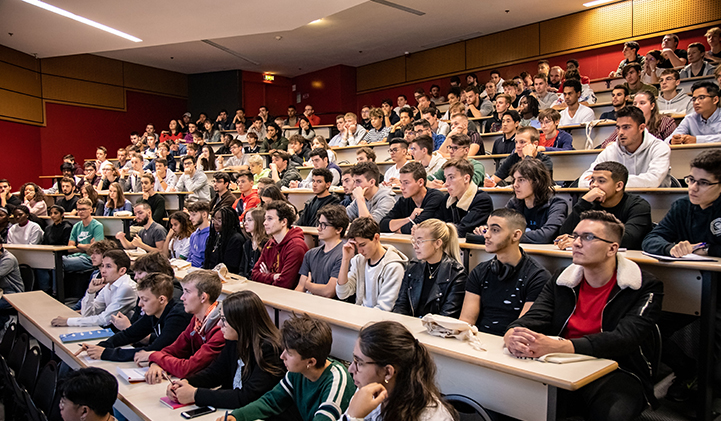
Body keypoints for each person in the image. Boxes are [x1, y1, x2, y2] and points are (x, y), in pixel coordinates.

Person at [505, 211, 663, 421]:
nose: (576, 243)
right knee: (507, 402)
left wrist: (559, 346)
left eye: (588, 237)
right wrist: (511, 333)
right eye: (575, 236)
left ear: (612, 249)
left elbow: (625, 339)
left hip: (619, 370)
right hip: (563, 364)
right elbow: (534, 317)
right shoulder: (562, 279)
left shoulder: (645, 286)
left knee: (612, 415)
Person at [167, 291, 298, 420]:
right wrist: (185, 383)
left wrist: (195, 395)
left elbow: (247, 397)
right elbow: (215, 373)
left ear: (241, 323)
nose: (219, 325)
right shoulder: (234, 340)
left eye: (224, 320)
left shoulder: (270, 350)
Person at [222, 314, 354, 421]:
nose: (282, 356)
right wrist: (237, 416)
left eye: (289, 353)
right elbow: (271, 401)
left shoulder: (337, 380)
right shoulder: (298, 370)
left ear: (311, 362)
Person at [342, 321, 457, 421]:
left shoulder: (432, 418)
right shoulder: (366, 392)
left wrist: (352, 418)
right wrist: (352, 416)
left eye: (359, 363)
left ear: (387, 372)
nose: (351, 369)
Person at [460, 209, 550, 334]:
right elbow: (466, 322)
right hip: (477, 343)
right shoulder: (480, 271)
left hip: (512, 346)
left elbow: (522, 331)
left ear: (516, 235)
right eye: (487, 229)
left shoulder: (537, 277)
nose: (486, 235)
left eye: (495, 230)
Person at [81, 273, 191, 362]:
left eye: (145, 299)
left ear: (162, 299)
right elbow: (129, 334)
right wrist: (99, 347)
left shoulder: (178, 316)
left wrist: (106, 353)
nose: (140, 304)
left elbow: (154, 350)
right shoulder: (155, 310)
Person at [144, 270, 224, 382]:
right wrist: (155, 364)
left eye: (187, 292)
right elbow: (173, 350)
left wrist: (153, 356)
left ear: (203, 297)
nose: (182, 297)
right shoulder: (197, 320)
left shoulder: (221, 329)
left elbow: (187, 369)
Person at [557, 161, 652, 250]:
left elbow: (628, 239)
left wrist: (584, 239)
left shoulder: (638, 206)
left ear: (619, 186)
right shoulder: (589, 203)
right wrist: (583, 202)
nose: (594, 185)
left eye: (601, 181)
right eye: (592, 180)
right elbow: (564, 233)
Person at [643, 149, 721, 257]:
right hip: (690, 271)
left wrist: (707, 249)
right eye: (691, 180)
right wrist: (671, 248)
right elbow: (651, 239)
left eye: (703, 183)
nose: (693, 188)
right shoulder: (682, 206)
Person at [580, 106, 672, 188]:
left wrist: (608, 181)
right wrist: (599, 182)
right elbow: (583, 180)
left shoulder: (660, 148)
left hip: (656, 204)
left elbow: (653, 181)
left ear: (641, 128)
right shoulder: (611, 150)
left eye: (626, 127)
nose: (620, 132)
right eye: (618, 127)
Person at [392, 219, 466, 318]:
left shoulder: (456, 273)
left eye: (420, 241)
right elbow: (401, 305)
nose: (415, 246)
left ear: (437, 243)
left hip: (437, 330)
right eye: (414, 241)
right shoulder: (413, 267)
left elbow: (447, 316)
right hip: (410, 326)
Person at [51, 250, 137, 327]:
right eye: (102, 266)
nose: (103, 270)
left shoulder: (126, 287)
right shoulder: (109, 285)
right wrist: (90, 292)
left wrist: (68, 322)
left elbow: (105, 320)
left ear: (122, 271)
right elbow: (88, 314)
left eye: (108, 266)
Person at [501, 158, 568, 243]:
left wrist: (506, 236)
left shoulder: (556, 204)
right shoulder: (514, 203)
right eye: (514, 180)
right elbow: (500, 228)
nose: (515, 185)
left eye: (521, 180)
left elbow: (546, 236)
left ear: (537, 182)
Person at [252, 200, 308, 289]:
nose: (264, 223)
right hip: (271, 292)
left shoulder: (296, 246)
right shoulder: (270, 243)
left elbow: (285, 283)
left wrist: (266, 275)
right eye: (265, 219)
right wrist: (273, 276)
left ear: (284, 222)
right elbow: (254, 274)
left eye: (270, 219)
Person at [296, 205, 348, 298]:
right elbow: (300, 287)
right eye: (319, 224)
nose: (319, 228)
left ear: (339, 229)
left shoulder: (344, 255)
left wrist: (309, 285)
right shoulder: (310, 254)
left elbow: (329, 292)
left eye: (324, 225)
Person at [380, 162, 445, 234]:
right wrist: (409, 219)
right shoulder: (404, 200)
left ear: (420, 182)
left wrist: (396, 229)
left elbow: (420, 227)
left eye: (406, 183)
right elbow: (383, 225)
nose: (401, 187)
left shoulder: (435, 197)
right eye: (401, 182)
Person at [600, 90, 677, 148]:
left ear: (652, 106)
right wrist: (613, 145)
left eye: (642, 103)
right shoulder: (627, 122)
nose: (637, 106)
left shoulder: (666, 122)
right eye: (635, 104)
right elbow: (606, 143)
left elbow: (673, 145)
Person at [439, 159, 493, 237]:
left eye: (451, 177)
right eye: (445, 178)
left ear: (466, 178)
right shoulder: (447, 199)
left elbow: (462, 230)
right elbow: (436, 222)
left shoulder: (482, 200)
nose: (446, 184)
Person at [485, 126, 554, 187]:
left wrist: (528, 157)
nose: (517, 146)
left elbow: (533, 184)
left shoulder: (545, 160)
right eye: (516, 142)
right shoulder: (513, 158)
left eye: (522, 142)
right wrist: (489, 182)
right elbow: (495, 178)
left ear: (535, 144)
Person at [62, 198, 105, 273]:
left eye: (83, 209)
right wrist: (87, 247)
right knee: (52, 262)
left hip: (89, 259)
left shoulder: (97, 226)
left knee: (59, 263)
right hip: (75, 256)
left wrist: (79, 245)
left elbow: (97, 249)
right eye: (78, 210)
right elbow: (70, 248)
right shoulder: (76, 226)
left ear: (91, 210)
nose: (80, 212)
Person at [203, 207, 245, 274]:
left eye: (219, 220)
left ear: (228, 221)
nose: (215, 223)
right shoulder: (216, 236)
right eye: (214, 219)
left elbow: (230, 268)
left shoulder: (236, 239)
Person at [240, 208, 268, 279]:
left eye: (249, 220)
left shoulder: (266, 244)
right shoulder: (247, 244)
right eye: (245, 220)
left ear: (259, 221)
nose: (245, 223)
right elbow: (242, 269)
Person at [187, 201, 211, 268]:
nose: (190, 218)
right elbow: (190, 257)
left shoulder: (211, 235)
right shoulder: (193, 235)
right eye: (190, 215)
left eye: (194, 215)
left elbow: (208, 262)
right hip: (190, 268)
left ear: (204, 215)